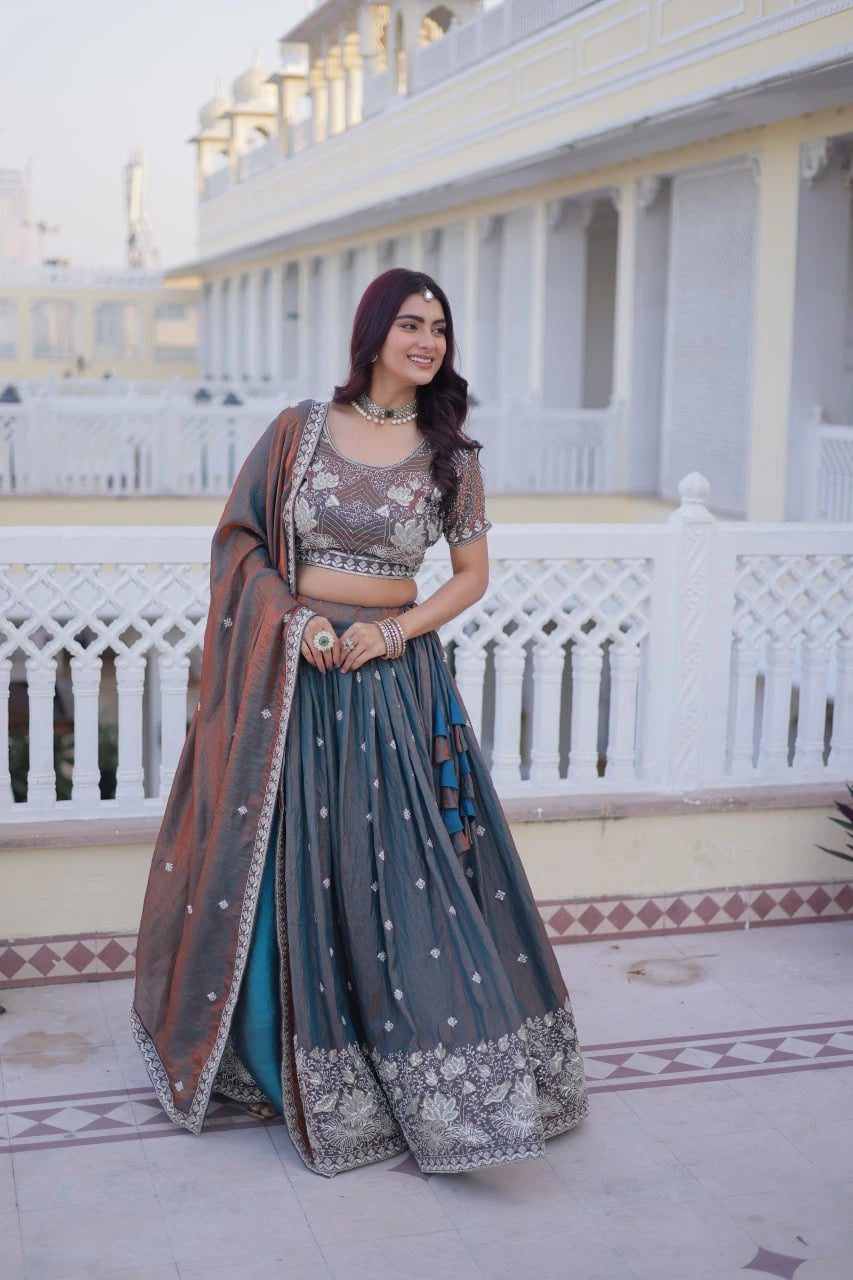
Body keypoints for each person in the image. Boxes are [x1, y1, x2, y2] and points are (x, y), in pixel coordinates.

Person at [131, 268, 588, 1177]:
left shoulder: (450, 454)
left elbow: (471, 577)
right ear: (374, 332)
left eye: (440, 329)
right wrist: (293, 622)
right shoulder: (297, 430)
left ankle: (437, 1075)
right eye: (411, 324)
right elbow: (240, 543)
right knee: (295, 863)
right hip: (296, 675)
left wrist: (391, 632)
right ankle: (281, 1055)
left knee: (401, 870)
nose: (427, 341)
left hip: (389, 678)